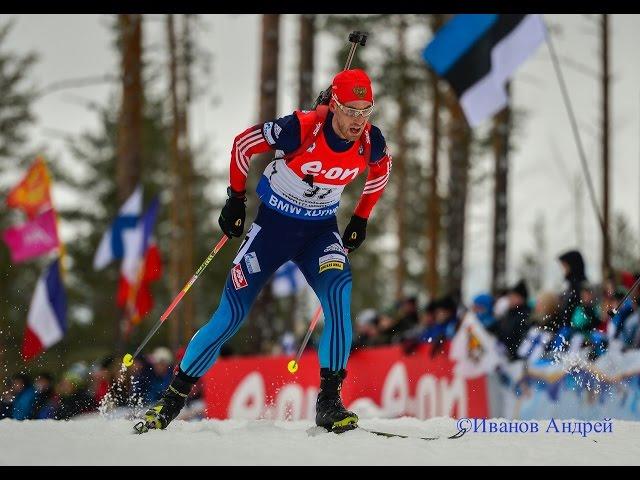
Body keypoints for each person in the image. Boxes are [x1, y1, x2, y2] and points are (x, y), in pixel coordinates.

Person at [140, 69, 392, 433]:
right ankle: (172, 398)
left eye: (365, 110)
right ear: (334, 104)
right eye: (350, 110)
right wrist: (235, 200)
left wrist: (361, 219)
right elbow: (244, 144)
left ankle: (330, 403)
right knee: (231, 315)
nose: (358, 119)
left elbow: (382, 172)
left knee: (338, 294)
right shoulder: (301, 128)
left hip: (319, 233)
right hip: (272, 229)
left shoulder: (371, 141)